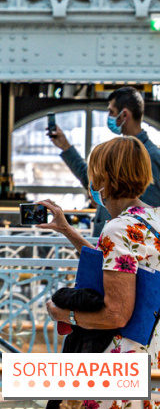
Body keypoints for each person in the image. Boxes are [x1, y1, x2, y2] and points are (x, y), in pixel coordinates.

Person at [40, 136, 160, 409]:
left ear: (103, 178)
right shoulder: (153, 219)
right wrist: (68, 230)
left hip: (119, 363)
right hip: (152, 351)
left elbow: (116, 313)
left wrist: (64, 314)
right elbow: (116, 263)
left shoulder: (117, 229)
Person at [48, 86, 160, 236]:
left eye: (111, 112)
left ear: (124, 114)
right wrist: (65, 147)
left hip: (121, 242)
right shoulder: (124, 153)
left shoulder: (148, 157)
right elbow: (93, 178)